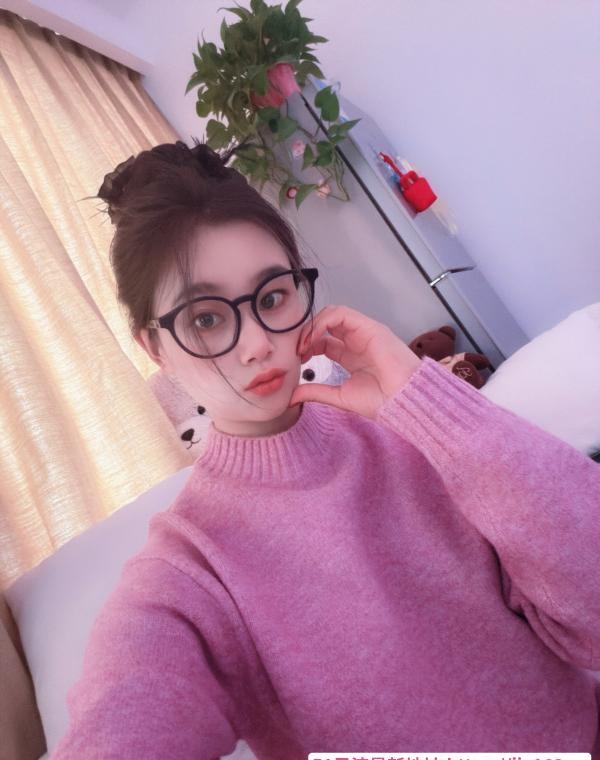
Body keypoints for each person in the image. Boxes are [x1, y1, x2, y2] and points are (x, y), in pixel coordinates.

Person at [51, 140, 600, 759]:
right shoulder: (189, 571)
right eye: (205, 319)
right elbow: (125, 716)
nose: (256, 344)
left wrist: (429, 402)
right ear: (154, 347)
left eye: (272, 297)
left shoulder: (414, 433)